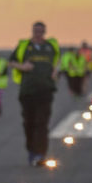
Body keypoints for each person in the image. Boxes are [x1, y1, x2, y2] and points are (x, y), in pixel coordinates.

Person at [8, 21, 59, 166]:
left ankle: (40, 153)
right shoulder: (24, 46)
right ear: (32, 31)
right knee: (29, 123)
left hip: (46, 90)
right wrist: (22, 67)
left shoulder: (50, 46)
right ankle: (31, 150)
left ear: (44, 32)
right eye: (36, 31)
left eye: (41, 31)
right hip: (27, 91)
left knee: (42, 123)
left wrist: (55, 70)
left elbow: (58, 59)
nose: (38, 34)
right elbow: (11, 62)